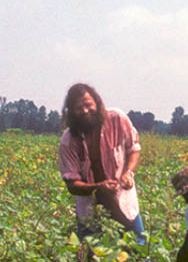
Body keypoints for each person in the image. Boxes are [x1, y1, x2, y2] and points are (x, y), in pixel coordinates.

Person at [58, 83, 145, 246]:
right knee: (92, 258)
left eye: (88, 104)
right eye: (78, 108)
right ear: (70, 111)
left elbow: (133, 148)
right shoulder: (68, 141)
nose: (85, 111)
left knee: (138, 250)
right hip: (90, 207)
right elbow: (72, 185)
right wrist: (99, 187)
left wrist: (128, 173)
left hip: (123, 199)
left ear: (96, 103)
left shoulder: (117, 119)